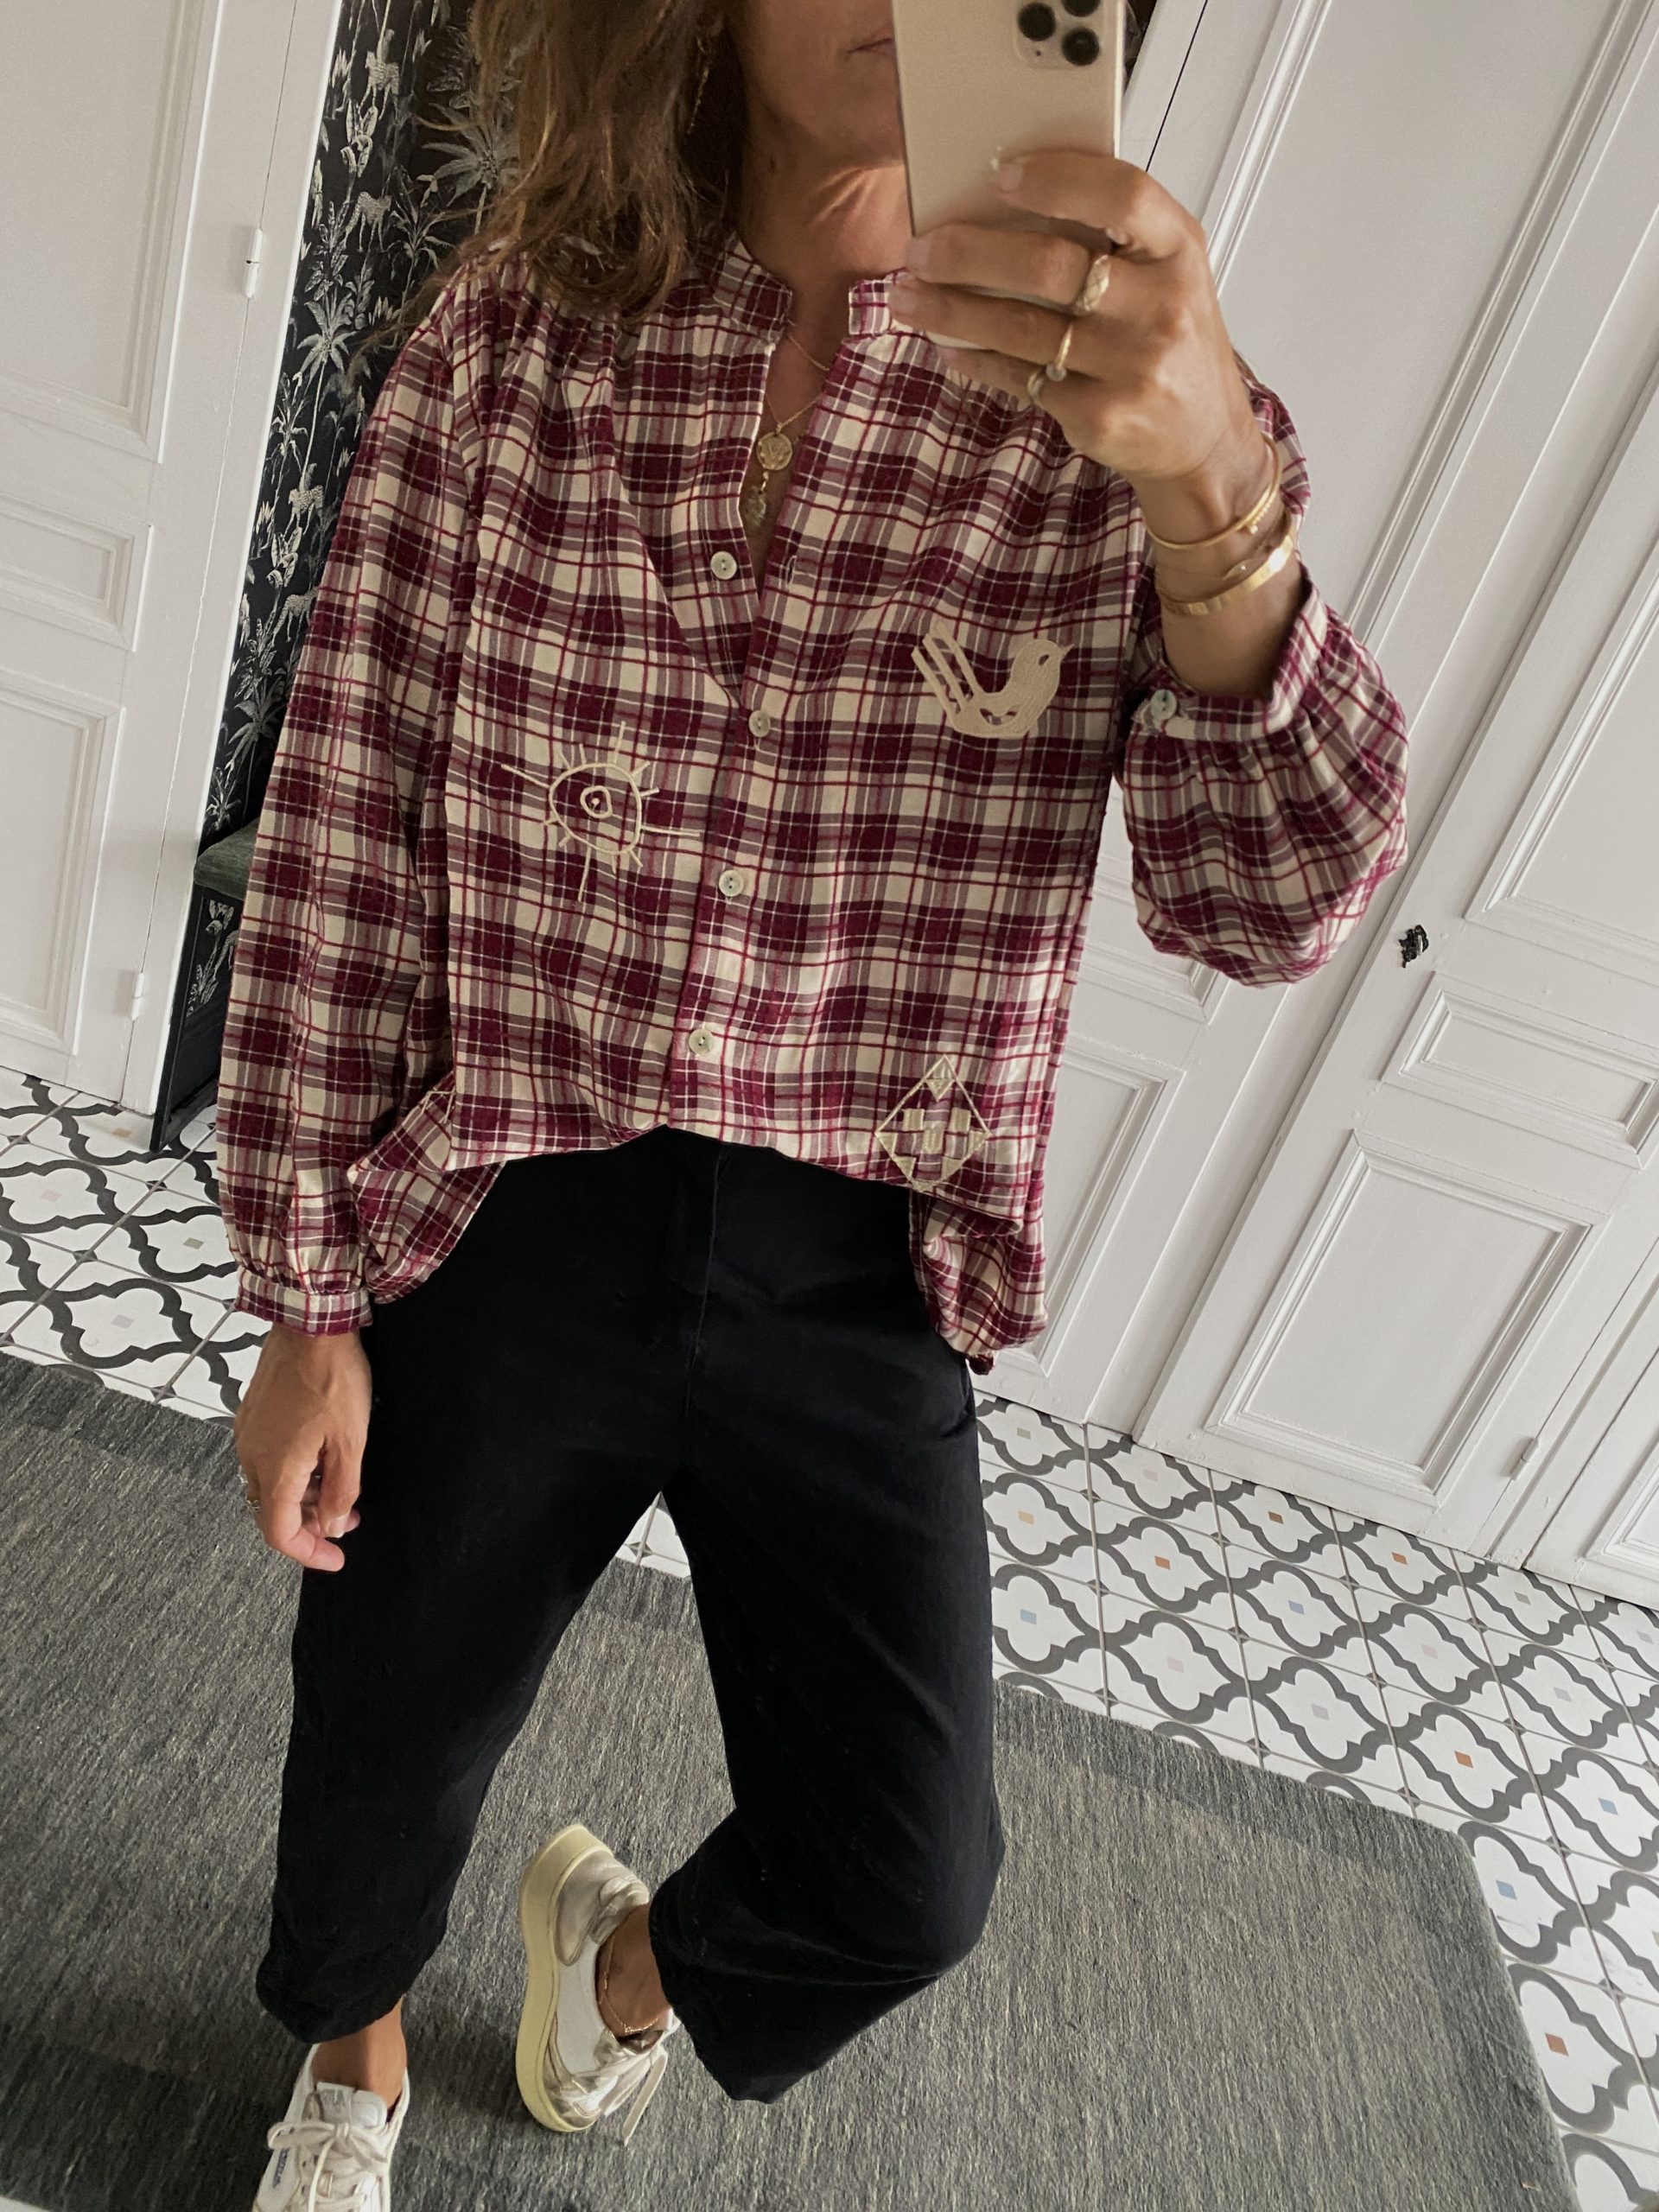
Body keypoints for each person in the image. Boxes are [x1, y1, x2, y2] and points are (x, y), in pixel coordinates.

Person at [223, 0, 1410, 2203]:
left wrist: (1211, 494)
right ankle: (351, 2051)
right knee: (378, 1725)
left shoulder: (1129, 418)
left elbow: (1268, 903)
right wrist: (307, 1289)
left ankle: (618, 1968)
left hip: (862, 1249)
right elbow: (349, 802)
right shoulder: (506, 343)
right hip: (513, 1190)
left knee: (905, 1864)